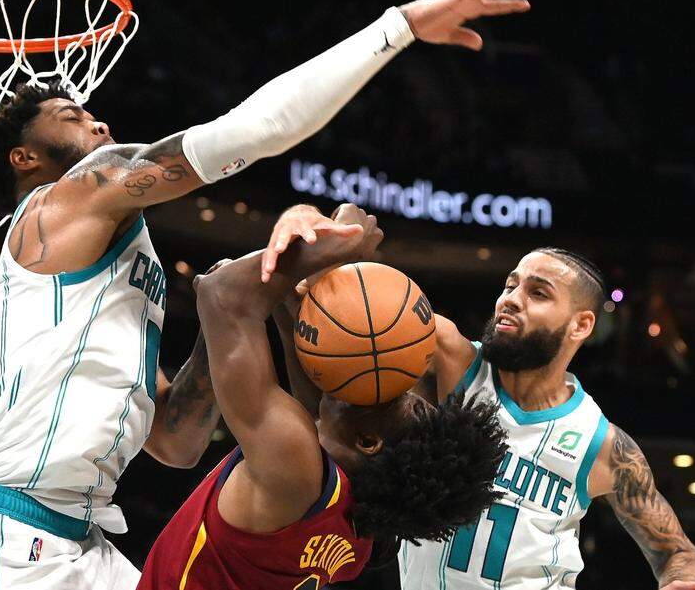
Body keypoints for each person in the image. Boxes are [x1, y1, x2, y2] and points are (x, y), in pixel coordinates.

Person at [0, 0, 532, 589]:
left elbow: (176, 442)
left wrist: (257, 293)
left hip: (74, 539)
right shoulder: (61, 202)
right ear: (26, 159)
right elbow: (257, 130)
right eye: (70, 118)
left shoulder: (103, 280)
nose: (97, 121)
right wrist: (400, 26)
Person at [138, 204, 509, 590]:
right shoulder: (356, 531)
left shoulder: (294, 467)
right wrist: (321, 271)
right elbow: (307, 356)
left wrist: (329, 251)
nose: (386, 387)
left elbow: (222, 296)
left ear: (369, 441)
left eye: (400, 399)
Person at [398, 248, 695, 590]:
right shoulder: (451, 360)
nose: (511, 300)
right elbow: (366, 309)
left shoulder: (601, 443)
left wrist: (682, 581)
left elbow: (677, 553)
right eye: (509, 286)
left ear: (581, 324)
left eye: (538, 293)